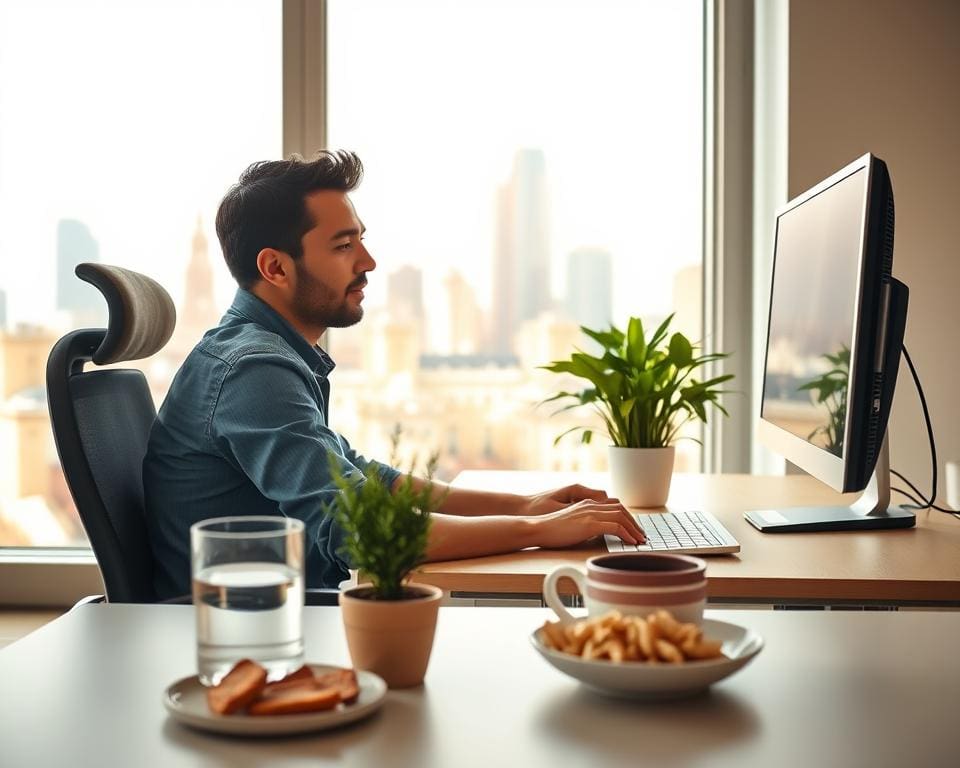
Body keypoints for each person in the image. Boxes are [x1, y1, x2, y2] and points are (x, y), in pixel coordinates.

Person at [143, 150, 646, 599]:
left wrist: (529, 507)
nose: (368, 261)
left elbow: (369, 483)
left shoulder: (270, 354)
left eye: (361, 240)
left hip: (287, 608)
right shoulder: (253, 371)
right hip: (250, 632)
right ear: (275, 267)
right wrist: (538, 530)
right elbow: (360, 531)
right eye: (343, 246)